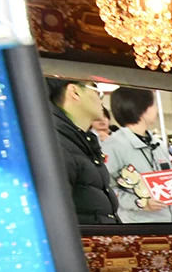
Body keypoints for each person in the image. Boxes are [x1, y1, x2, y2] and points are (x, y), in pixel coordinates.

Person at [104, 87, 172, 224]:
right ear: (142, 109)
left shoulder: (158, 144)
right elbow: (108, 190)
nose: (155, 108)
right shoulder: (113, 146)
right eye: (153, 104)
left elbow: (167, 184)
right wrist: (140, 203)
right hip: (139, 226)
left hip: (170, 223)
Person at [45, 78, 120, 225]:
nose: (101, 100)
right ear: (75, 92)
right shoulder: (59, 145)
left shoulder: (83, 142)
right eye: (97, 91)